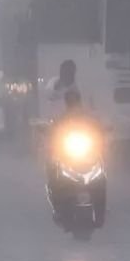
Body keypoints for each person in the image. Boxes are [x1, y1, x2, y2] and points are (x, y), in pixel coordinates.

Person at [45, 89, 103, 224]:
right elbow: (52, 132)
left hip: (87, 152)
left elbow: (98, 129)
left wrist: (102, 132)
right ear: (67, 102)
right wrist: (50, 136)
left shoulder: (87, 117)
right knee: (52, 166)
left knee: (100, 170)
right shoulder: (61, 118)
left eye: (74, 99)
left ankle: (101, 203)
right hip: (66, 153)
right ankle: (57, 202)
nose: (72, 102)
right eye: (70, 100)